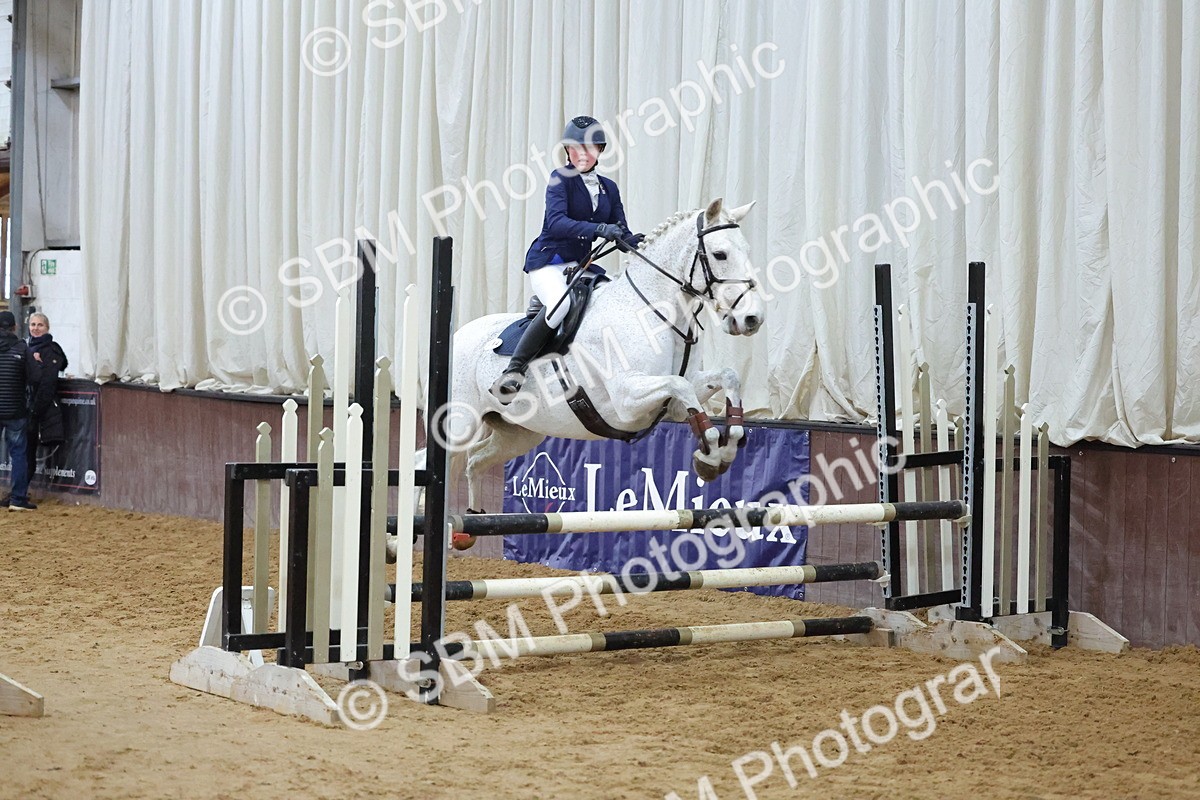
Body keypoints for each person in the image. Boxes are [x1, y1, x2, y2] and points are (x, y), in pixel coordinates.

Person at [489, 115, 644, 402]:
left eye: (589, 148)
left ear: (600, 151)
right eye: (575, 148)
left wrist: (638, 243)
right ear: (568, 152)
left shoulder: (609, 187)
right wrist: (599, 229)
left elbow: (620, 230)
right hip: (550, 261)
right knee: (560, 307)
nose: (582, 155)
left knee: (614, 302)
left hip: (580, 266)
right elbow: (557, 221)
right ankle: (514, 371)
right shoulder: (560, 179)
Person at [25, 312, 69, 484]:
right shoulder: (25, 347)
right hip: (26, 407)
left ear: (47, 328)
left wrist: (35, 411)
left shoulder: (52, 350)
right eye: (32, 325)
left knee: (27, 452)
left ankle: (19, 493)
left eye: (39, 325)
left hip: (38, 410)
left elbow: (47, 384)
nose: (35, 328)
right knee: (24, 451)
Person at [0, 310, 36, 510]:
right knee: (19, 454)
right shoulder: (23, 348)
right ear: (14, 327)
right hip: (15, 409)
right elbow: (35, 377)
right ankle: (18, 499)